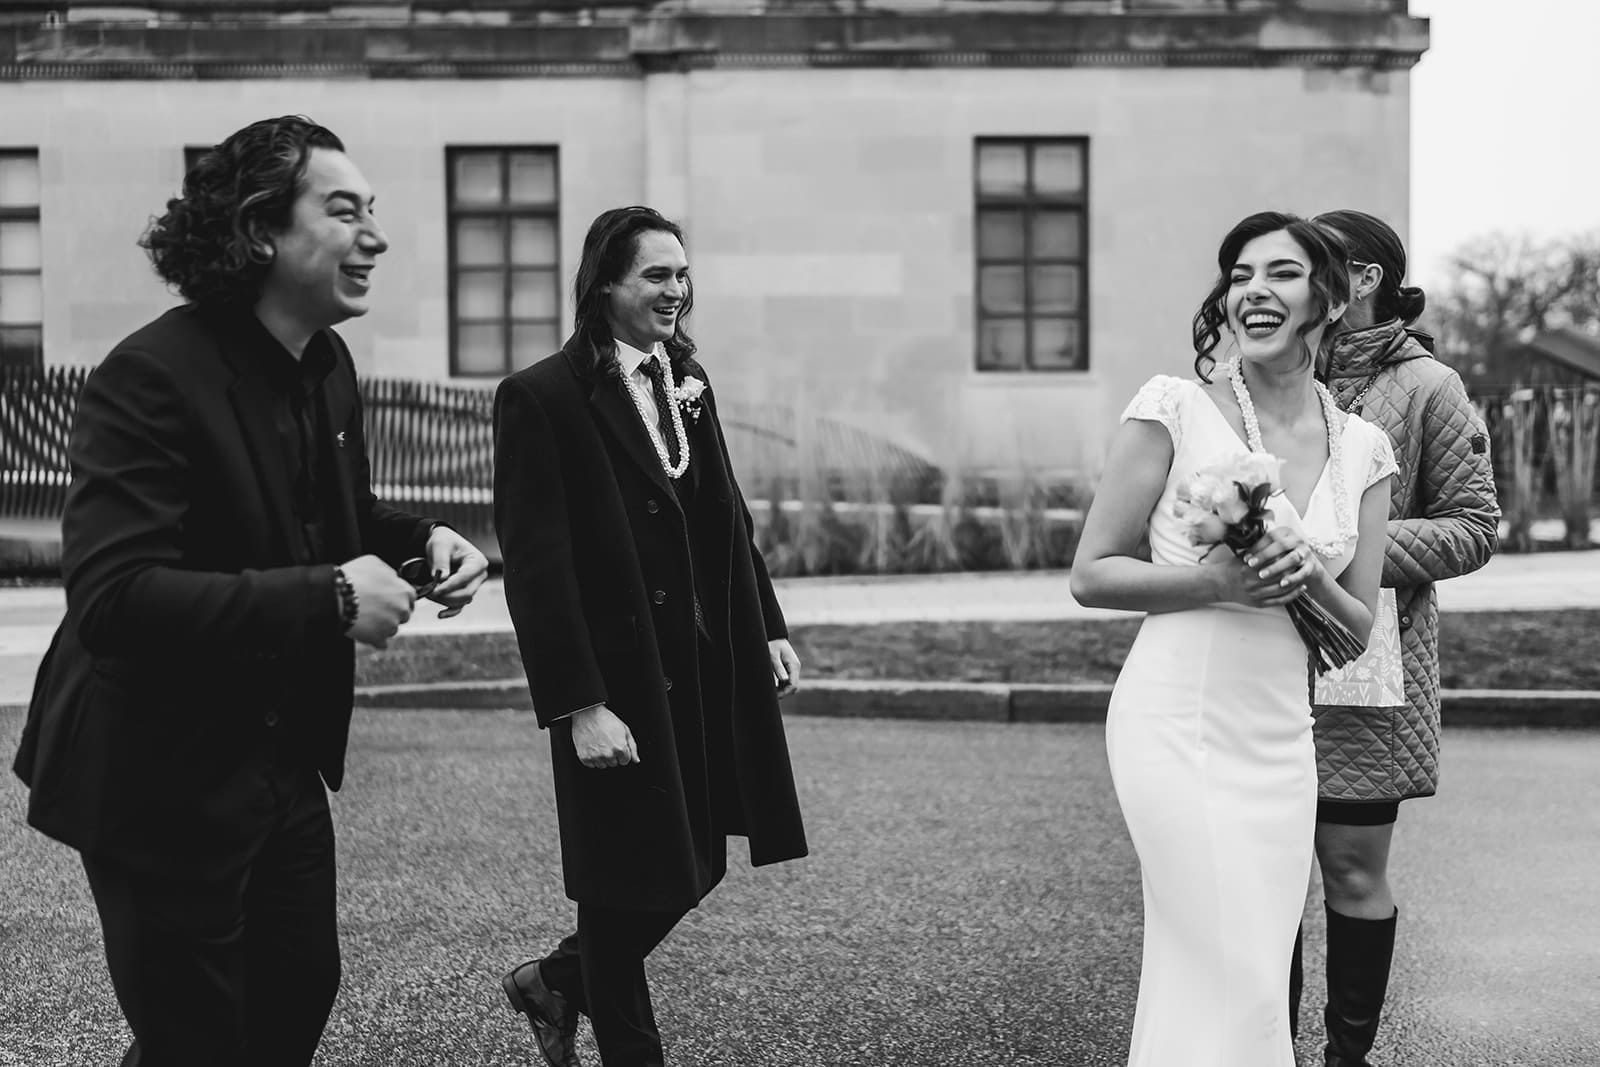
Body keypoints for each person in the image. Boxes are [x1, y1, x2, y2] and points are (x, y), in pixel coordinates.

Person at [11, 115, 489, 1067]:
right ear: (263, 229)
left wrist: (416, 537)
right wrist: (333, 598)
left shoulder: (329, 364)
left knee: (297, 997)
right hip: (155, 768)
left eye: (373, 211)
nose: (376, 236)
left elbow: (337, 507)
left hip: (281, 755)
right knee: (197, 1039)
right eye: (344, 210)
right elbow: (114, 597)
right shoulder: (149, 376)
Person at [1071, 211, 1397, 1067]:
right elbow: (1092, 572)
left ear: (1330, 296)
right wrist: (1211, 582)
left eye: (1282, 274)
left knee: (1243, 963)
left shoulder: (1366, 449)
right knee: (1233, 968)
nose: (1254, 291)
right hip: (1176, 721)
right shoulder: (1174, 408)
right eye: (1241, 275)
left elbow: (1355, 630)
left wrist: (1299, 564)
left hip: (1281, 741)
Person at [492, 205, 808, 1067]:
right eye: (657, 275)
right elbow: (537, 569)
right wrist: (580, 703)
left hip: (704, 668)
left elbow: (727, 518)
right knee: (616, 879)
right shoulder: (542, 397)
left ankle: (554, 979)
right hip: (616, 678)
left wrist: (768, 627)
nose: (677, 290)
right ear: (605, 286)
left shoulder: (685, 379)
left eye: (682, 273)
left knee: (697, 859)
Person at [1284, 209, 1500, 1067]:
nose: (1288, 287)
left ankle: (1347, 1056)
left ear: (1363, 278)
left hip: (1364, 673)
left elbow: (1474, 527)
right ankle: (1272, 1050)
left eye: (1311, 268)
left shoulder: (1428, 388)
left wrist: (1344, 550)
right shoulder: (1267, 376)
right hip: (1256, 658)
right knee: (1265, 875)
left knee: (1351, 870)